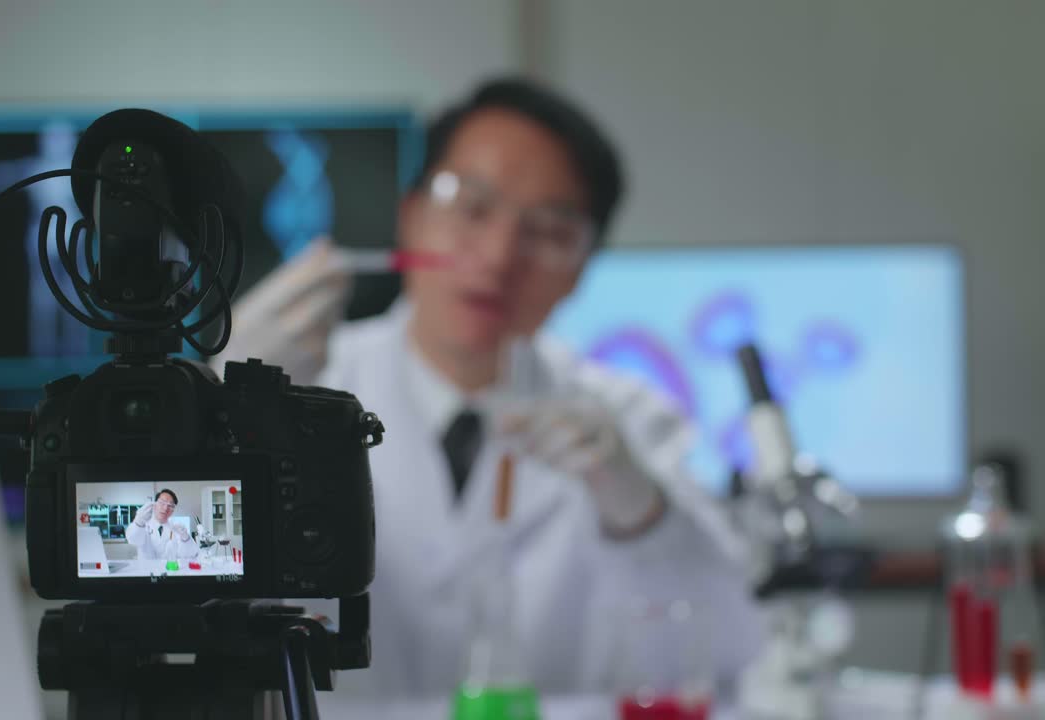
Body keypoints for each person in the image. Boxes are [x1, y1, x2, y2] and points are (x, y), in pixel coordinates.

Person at [213, 77, 764, 696]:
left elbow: (726, 654)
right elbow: (167, 594)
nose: (501, 256)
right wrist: (216, 411)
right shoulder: (306, 389)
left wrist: (642, 516)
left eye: (551, 231)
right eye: (472, 207)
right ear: (412, 216)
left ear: (581, 270)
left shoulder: (630, 422)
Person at [126, 489, 199, 560]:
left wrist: (185, 539)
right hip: (146, 570)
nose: (165, 508)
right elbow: (133, 540)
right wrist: (139, 522)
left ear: (173, 510)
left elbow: (191, 554)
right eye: (162, 503)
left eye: (170, 505)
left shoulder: (176, 528)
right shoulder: (143, 525)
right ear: (154, 505)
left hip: (170, 570)